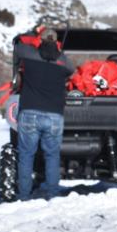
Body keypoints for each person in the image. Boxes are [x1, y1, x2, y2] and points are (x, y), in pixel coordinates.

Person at [14, 27, 74, 200]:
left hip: (29, 113)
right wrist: (58, 55)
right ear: (56, 42)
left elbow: (19, 47)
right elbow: (71, 69)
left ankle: (24, 196)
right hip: (54, 115)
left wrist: (33, 36)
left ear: (40, 40)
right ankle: (53, 195)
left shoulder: (29, 54)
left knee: (26, 155)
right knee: (52, 155)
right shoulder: (63, 61)